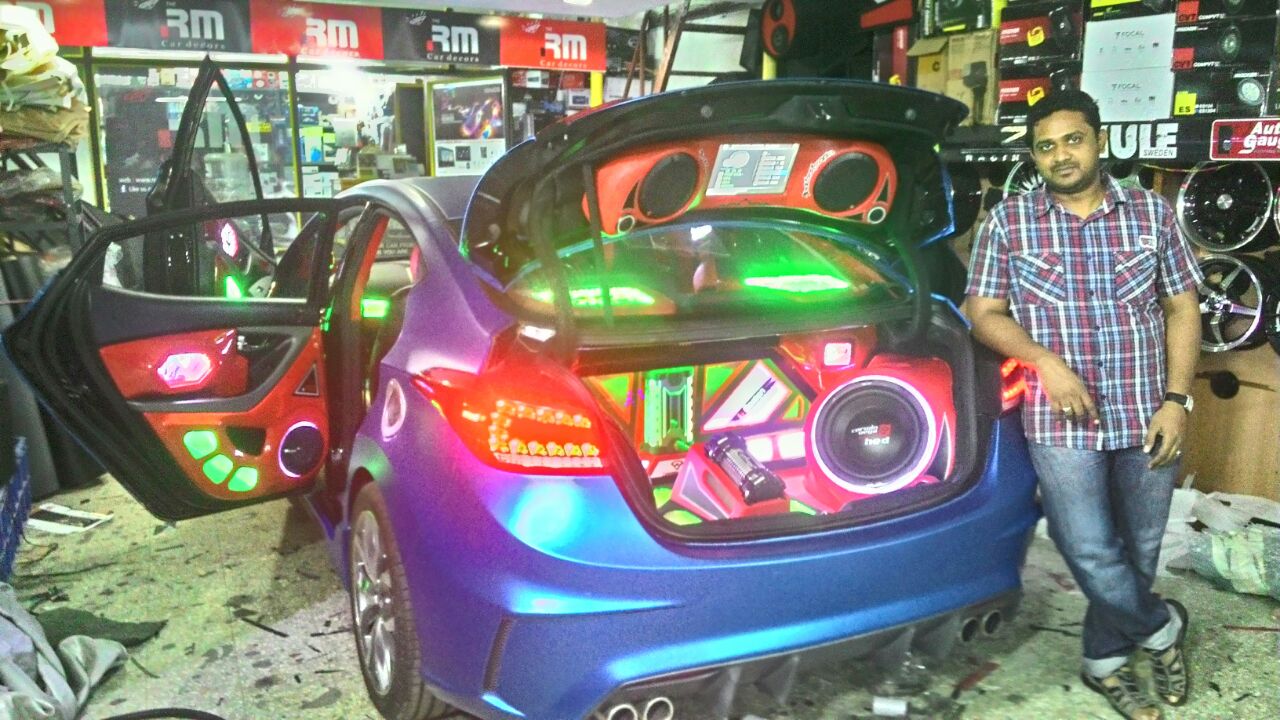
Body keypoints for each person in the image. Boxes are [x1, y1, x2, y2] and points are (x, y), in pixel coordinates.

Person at [963, 90, 1202, 720]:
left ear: (1099, 140)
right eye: (1046, 147)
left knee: (1139, 549)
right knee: (1090, 549)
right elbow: (982, 314)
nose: (1061, 155)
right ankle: (1162, 628)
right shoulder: (1009, 221)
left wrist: (1177, 401)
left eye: (1073, 139)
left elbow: (1182, 308)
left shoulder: (1150, 213)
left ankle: (1103, 662)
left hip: (1149, 411)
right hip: (1059, 421)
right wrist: (1043, 361)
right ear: (1035, 156)